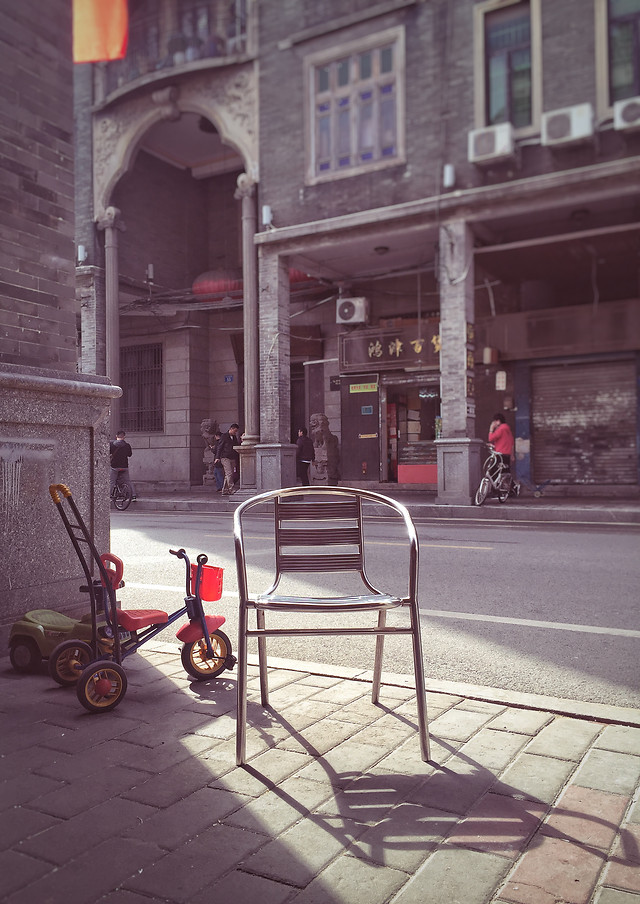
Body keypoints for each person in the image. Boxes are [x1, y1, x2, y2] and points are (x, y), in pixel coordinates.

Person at [110, 430, 136, 499]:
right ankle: (133, 496)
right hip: (124, 466)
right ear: (124, 437)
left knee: (112, 482)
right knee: (128, 481)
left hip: (114, 466)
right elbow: (130, 455)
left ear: (116, 436)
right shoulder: (127, 445)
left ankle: (107, 497)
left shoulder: (111, 444)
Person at [215, 423, 240, 495]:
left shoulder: (234, 437)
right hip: (225, 457)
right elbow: (220, 447)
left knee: (228, 474)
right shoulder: (224, 436)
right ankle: (231, 489)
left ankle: (225, 490)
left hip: (232, 457)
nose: (235, 433)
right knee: (229, 473)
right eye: (235, 431)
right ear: (231, 429)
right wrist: (217, 457)